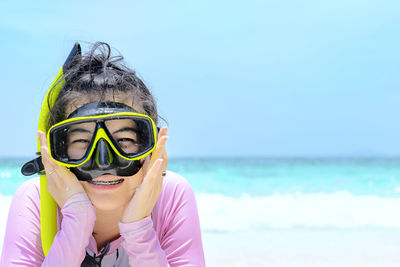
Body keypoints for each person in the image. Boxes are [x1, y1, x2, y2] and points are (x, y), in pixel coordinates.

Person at [0, 42, 205, 266]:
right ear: (56, 151)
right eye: (81, 141)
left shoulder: (170, 197)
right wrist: (77, 221)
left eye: (124, 140)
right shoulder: (38, 202)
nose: (104, 161)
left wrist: (138, 228)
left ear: (152, 147)